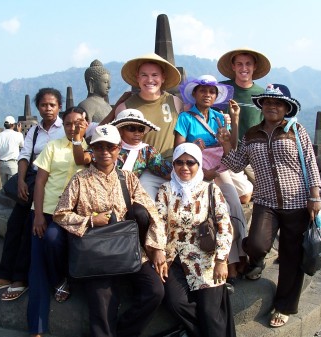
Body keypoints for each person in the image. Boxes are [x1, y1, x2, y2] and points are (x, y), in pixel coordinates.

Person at [217, 84, 321, 328]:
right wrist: (225, 144)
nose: (272, 106)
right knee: (256, 243)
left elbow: (310, 162)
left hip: (297, 201)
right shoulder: (252, 133)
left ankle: (284, 306)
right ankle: (255, 260)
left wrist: (314, 196)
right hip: (265, 201)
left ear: (286, 107)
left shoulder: (296, 130)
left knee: (291, 256)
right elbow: (235, 164)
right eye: (267, 102)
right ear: (261, 106)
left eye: (278, 103)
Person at [53, 124, 165, 337]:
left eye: (110, 147)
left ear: (118, 149)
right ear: (92, 150)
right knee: (102, 304)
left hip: (126, 246)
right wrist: (90, 220)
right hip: (95, 251)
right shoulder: (80, 179)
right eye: (99, 147)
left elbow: (152, 212)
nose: (104, 152)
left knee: (155, 291)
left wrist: (157, 248)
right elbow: (60, 214)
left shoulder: (128, 178)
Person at [0, 88, 65, 301]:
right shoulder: (34, 131)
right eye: (44, 105)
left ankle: (20, 278)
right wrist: (19, 181)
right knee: (14, 224)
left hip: (53, 183)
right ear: (38, 107)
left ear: (59, 107)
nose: (48, 109)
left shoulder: (66, 129)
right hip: (32, 179)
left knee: (30, 227)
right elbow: (25, 155)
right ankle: (3, 274)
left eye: (52, 105)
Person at [146, 143, 236, 337]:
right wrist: (158, 250)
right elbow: (159, 221)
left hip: (205, 257)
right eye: (179, 162)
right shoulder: (165, 190)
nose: (184, 167)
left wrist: (221, 260)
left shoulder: (210, 190)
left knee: (210, 312)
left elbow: (224, 225)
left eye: (190, 162)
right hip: (174, 258)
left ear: (199, 164)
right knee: (176, 302)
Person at [175, 75, 247, 290]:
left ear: (216, 96)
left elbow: (231, 146)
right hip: (197, 171)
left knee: (233, 205)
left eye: (212, 92)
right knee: (214, 214)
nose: (207, 95)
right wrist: (192, 146)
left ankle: (242, 254)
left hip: (220, 167)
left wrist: (234, 120)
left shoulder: (218, 116)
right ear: (195, 94)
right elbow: (179, 150)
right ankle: (230, 264)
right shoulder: (185, 118)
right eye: (203, 90)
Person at [27, 107, 88, 337]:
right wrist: (39, 215)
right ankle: (37, 326)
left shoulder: (93, 148)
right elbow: (40, 182)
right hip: (49, 209)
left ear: (86, 123)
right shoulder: (53, 147)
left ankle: (62, 279)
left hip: (76, 214)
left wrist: (79, 141)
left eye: (79, 123)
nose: (74, 127)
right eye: (70, 123)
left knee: (54, 241)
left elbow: (83, 159)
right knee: (38, 263)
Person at [100, 52, 183, 199]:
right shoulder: (125, 107)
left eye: (155, 75)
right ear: (137, 78)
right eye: (144, 75)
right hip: (143, 168)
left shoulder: (175, 102)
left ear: (163, 78)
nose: (149, 80)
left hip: (174, 165)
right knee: (146, 204)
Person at [217, 48, 271, 203]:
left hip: (253, 153)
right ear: (233, 67)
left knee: (268, 189)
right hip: (226, 153)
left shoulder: (262, 94)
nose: (244, 68)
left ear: (254, 67)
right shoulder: (222, 90)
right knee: (245, 194)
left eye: (248, 64)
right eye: (239, 64)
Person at [110, 108, 172, 179]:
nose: (137, 133)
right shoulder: (107, 147)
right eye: (131, 128)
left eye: (141, 129)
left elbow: (168, 173)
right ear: (120, 130)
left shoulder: (147, 151)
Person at [77, 59, 112, 138]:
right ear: (91, 83)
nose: (109, 86)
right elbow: (83, 133)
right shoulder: (86, 105)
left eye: (109, 82)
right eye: (105, 82)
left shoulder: (108, 106)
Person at [0, 116, 24, 185]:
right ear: (13, 125)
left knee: (5, 188)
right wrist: (19, 132)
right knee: (13, 186)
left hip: (2, 164)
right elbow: (22, 145)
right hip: (13, 163)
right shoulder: (18, 135)